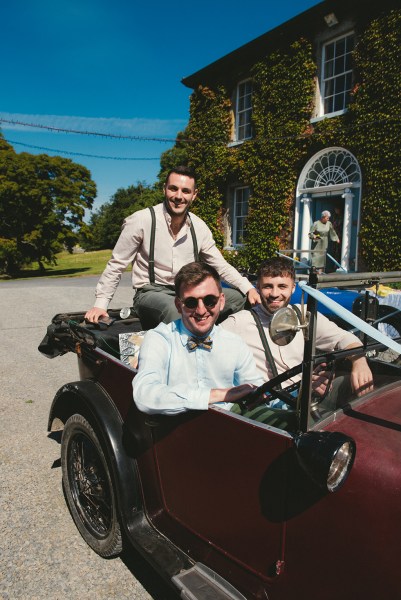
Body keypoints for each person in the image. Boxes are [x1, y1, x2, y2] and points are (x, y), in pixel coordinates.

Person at [85, 166, 260, 328]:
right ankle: (191, 355)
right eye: (173, 188)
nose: (179, 196)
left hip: (188, 292)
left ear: (194, 195)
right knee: (176, 311)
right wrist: (100, 305)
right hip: (151, 293)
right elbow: (117, 264)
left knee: (238, 299)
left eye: (186, 191)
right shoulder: (142, 220)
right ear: (164, 189)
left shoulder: (199, 227)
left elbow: (220, 266)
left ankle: (220, 345)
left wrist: (249, 288)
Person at [221, 257, 374, 419]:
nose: (274, 294)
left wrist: (359, 362)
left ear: (293, 288)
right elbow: (208, 348)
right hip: (273, 408)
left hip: (308, 395)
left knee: (364, 387)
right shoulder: (240, 321)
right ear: (257, 287)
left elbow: (343, 338)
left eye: (282, 286)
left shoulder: (303, 314)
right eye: (267, 286)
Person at [133, 262, 264, 415]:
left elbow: (254, 386)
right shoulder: (159, 338)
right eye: (191, 303)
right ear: (178, 305)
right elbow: (145, 395)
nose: (201, 311)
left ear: (221, 302)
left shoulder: (234, 342)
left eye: (209, 301)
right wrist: (220, 395)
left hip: (229, 427)